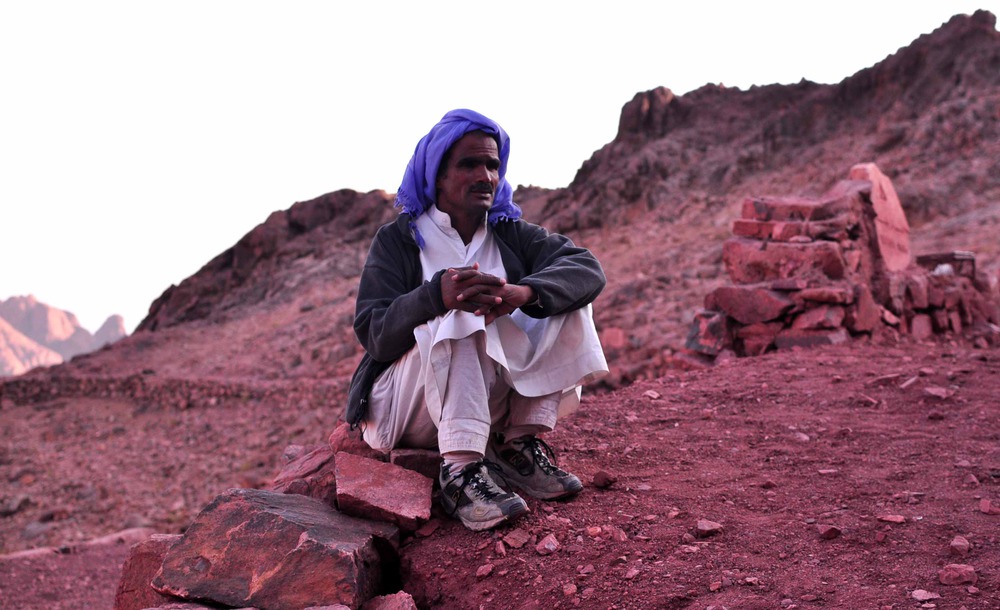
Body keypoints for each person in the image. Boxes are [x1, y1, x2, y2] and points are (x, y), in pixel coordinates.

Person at [346, 109, 608, 531]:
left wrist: (524, 294)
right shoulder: (399, 239)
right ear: (436, 173)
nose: (485, 175)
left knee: (565, 299)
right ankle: (461, 473)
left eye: (492, 164)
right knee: (462, 316)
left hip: (488, 404)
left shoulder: (509, 233)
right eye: (468, 164)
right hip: (406, 406)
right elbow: (374, 334)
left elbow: (587, 268)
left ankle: (515, 446)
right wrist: (436, 297)